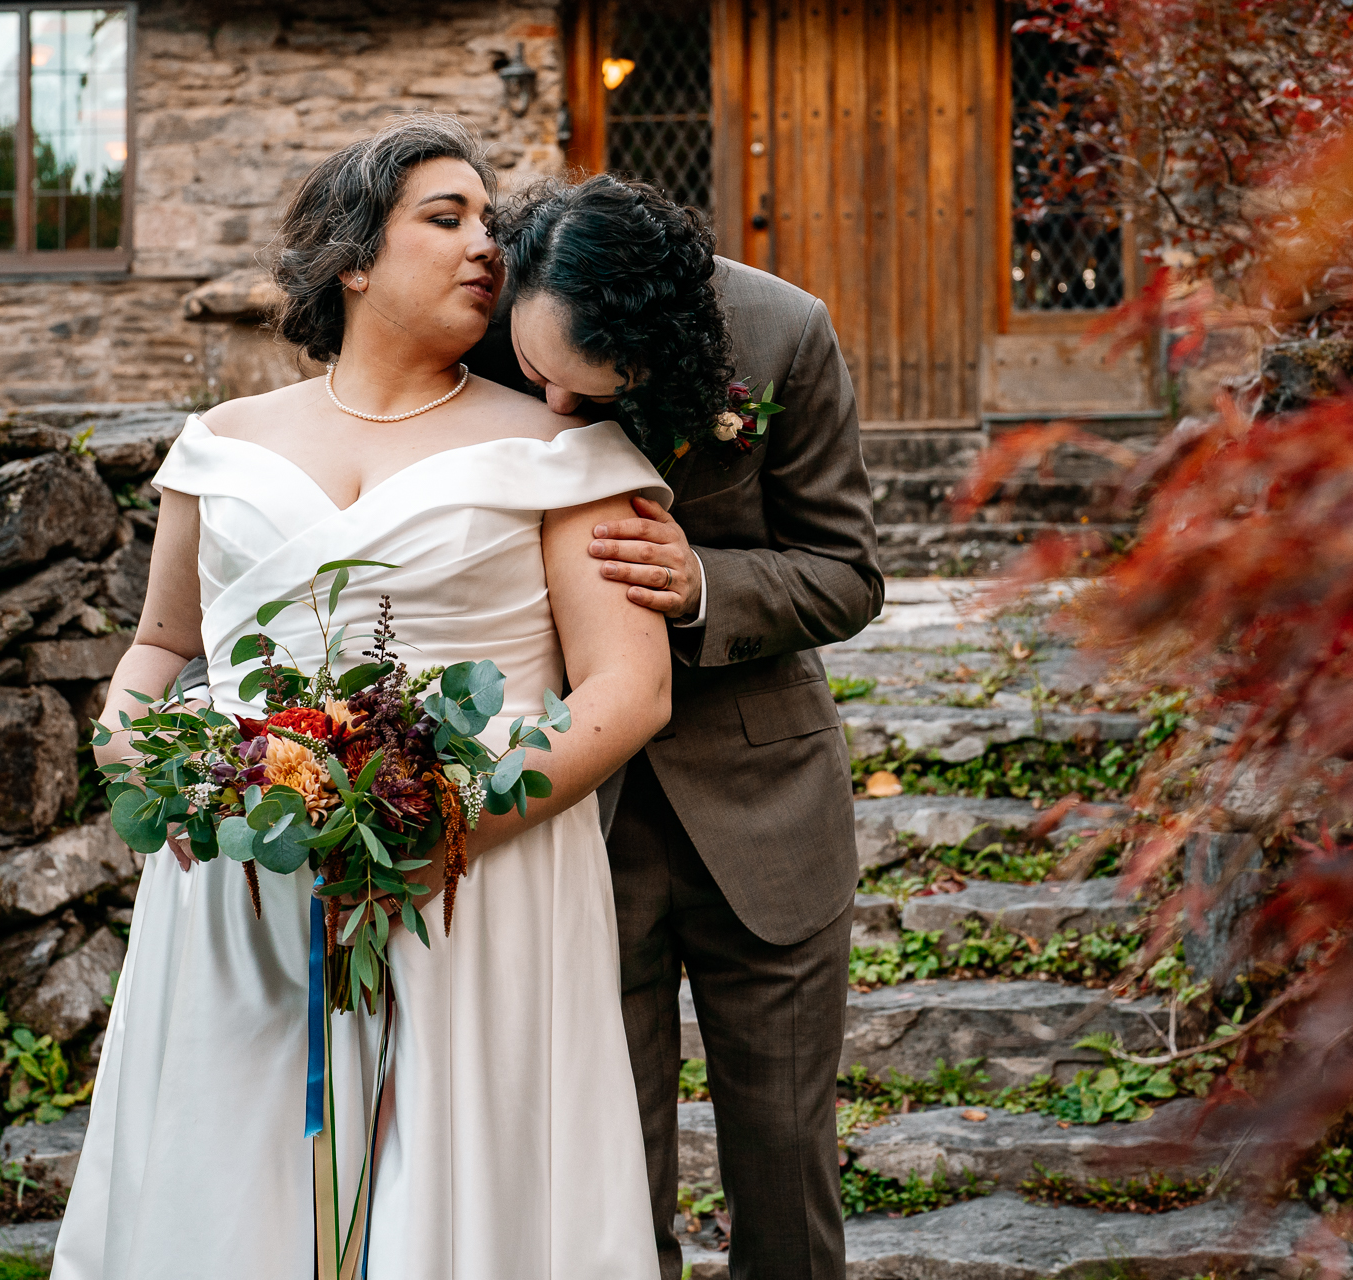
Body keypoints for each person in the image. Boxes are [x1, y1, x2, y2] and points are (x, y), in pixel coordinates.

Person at [52, 117, 676, 1280]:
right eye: (447, 218)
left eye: (492, 222)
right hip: (241, 878)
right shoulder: (218, 445)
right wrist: (144, 761)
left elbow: (631, 690)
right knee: (234, 1191)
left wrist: (437, 825)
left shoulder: (564, 450)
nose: (487, 243)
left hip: (477, 880)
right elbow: (158, 644)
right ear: (351, 256)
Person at [479, 177, 884, 1280]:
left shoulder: (784, 331)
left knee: (787, 1164)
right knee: (605, 1172)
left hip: (766, 810)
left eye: (582, 388)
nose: (553, 410)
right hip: (575, 821)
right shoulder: (486, 328)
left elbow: (847, 573)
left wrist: (704, 581)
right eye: (536, 377)